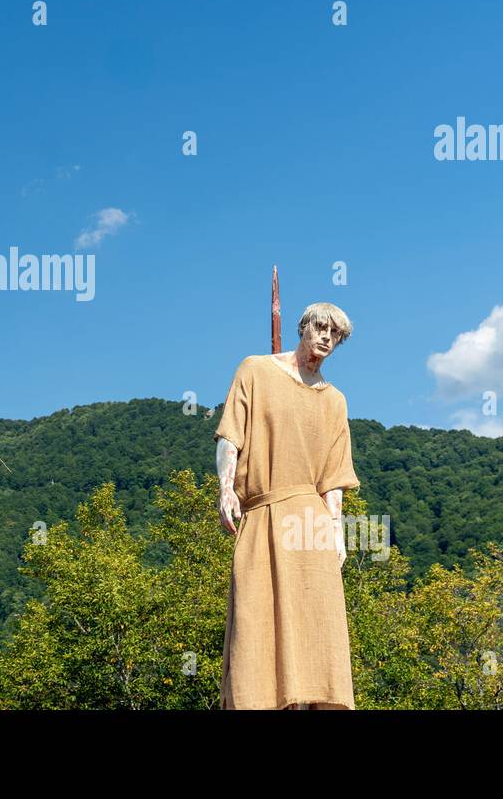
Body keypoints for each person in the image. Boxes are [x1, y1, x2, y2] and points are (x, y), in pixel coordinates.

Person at [214, 302, 360, 709]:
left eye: (337, 334)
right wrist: (226, 487)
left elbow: (333, 479)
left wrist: (337, 531)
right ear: (303, 327)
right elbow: (231, 437)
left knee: (316, 631)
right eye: (321, 327)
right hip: (262, 514)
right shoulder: (255, 371)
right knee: (254, 625)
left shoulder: (335, 401)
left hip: (311, 526)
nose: (327, 337)